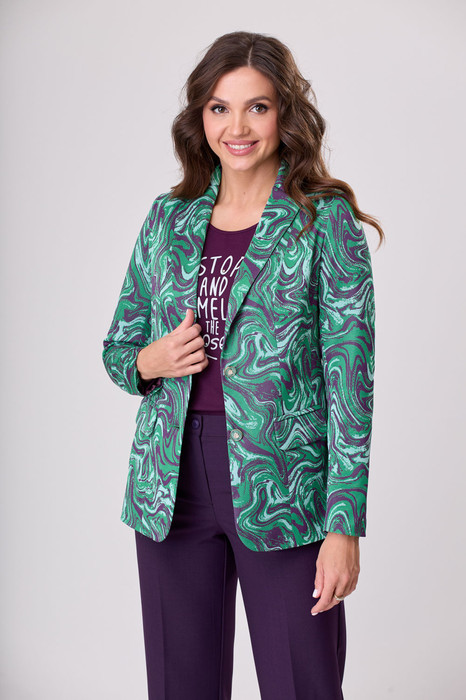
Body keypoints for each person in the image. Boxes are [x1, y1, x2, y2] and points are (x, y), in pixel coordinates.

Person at [102, 31, 384, 700]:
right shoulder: (168, 219)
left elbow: (351, 386)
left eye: (257, 107)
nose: (238, 127)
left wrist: (344, 525)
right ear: (200, 118)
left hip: (284, 485)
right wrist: (150, 359)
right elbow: (118, 349)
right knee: (181, 686)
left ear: (285, 113)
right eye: (219, 108)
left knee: (301, 684)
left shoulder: (324, 222)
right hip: (170, 484)